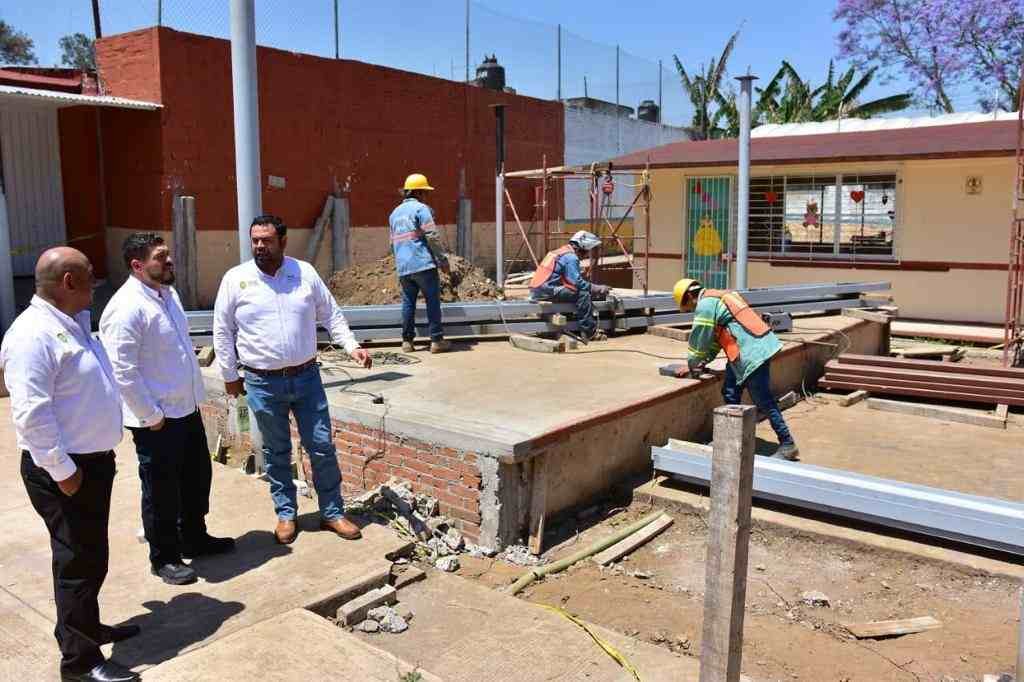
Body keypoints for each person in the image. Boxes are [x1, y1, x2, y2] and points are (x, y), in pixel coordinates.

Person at [0, 248, 140, 682]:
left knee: (92, 554)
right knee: (76, 563)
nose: (96, 283)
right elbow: (31, 415)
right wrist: (65, 473)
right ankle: (80, 664)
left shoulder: (72, 325)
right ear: (67, 282)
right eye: (90, 277)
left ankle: (85, 629)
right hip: (64, 473)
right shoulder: (33, 336)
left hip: (91, 464)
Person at [213, 215, 373, 545]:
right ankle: (286, 514)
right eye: (255, 240)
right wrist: (230, 376)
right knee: (276, 451)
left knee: (322, 446)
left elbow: (330, 313)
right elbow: (222, 331)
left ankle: (332, 512)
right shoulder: (236, 279)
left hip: (306, 378)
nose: (259, 246)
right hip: (261, 382)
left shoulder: (304, 273)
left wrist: (351, 346)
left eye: (266, 240)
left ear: (283, 242)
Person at [100, 233, 235, 587]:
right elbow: (122, 372)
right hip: (156, 420)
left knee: (195, 478)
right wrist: (151, 417)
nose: (170, 261)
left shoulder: (168, 295)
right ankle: (164, 557)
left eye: (168, 255)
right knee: (161, 491)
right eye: (162, 257)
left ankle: (194, 536)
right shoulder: (126, 307)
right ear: (137, 265)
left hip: (185, 408)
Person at [673, 278, 799, 461]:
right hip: (750, 350)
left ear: (690, 296)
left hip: (751, 355)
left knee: (764, 400)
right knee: (731, 391)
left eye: (689, 307)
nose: (692, 311)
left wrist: (692, 363)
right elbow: (718, 338)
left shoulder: (705, 305)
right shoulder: (721, 296)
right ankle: (731, 437)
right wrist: (702, 362)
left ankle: (787, 444)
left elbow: (700, 339)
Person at [389, 173, 450, 354]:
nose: (426, 196)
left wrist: (400, 263)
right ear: (419, 193)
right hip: (423, 263)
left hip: (404, 267)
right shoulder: (421, 209)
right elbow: (431, 235)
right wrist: (442, 260)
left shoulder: (394, 214)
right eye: (425, 192)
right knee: (432, 301)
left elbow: (392, 243)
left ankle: (407, 342)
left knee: (408, 303)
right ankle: (437, 340)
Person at [529, 230, 611, 342]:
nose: (586, 255)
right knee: (582, 294)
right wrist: (597, 288)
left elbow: (567, 279)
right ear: (581, 248)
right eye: (586, 251)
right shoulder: (571, 257)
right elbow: (577, 282)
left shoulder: (560, 251)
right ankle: (589, 332)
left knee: (573, 291)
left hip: (538, 289)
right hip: (546, 291)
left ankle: (572, 324)